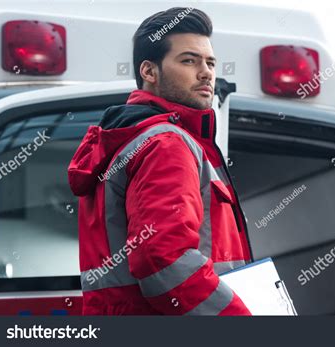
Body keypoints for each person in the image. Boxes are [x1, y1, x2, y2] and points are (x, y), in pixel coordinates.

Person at [68, 7, 253, 315]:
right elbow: (163, 260)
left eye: (210, 62)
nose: (206, 71)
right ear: (149, 72)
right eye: (189, 60)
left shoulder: (133, 138)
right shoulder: (166, 143)